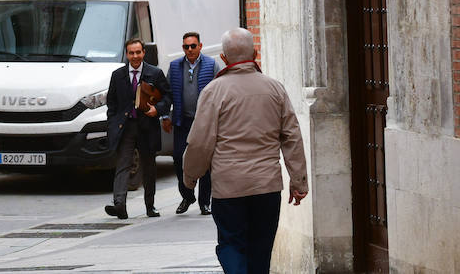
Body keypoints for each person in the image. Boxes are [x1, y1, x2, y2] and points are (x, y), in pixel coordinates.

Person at [181, 28, 308, 274]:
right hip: (267, 186)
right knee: (261, 250)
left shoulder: (213, 92)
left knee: (231, 245)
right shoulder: (275, 89)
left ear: (224, 58)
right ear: (255, 53)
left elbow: (200, 142)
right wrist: (298, 180)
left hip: (229, 187)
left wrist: (190, 176)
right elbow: (291, 136)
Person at [104, 37, 170, 220]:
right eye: (131, 53)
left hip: (147, 127)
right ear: (126, 54)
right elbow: (112, 102)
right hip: (125, 127)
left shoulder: (155, 73)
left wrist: (158, 110)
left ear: (143, 53)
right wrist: (112, 123)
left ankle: (150, 205)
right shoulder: (118, 75)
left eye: (138, 52)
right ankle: (119, 204)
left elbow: (167, 96)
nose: (135, 56)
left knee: (149, 167)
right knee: (123, 164)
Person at [163, 31, 217, 214]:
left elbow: (219, 91)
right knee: (179, 158)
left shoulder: (211, 65)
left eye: (193, 46)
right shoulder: (175, 66)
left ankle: (204, 202)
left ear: (200, 46)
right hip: (182, 121)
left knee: (206, 162)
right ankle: (187, 196)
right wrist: (165, 116)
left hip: (204, 123)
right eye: (186, 46)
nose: (190, 50)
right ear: (183, 48)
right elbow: (167, 93)